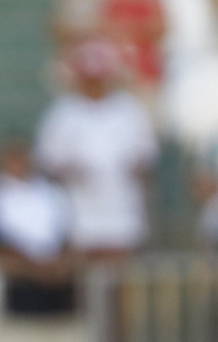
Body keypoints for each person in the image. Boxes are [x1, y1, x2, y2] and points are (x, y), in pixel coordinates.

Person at [34, 39, 157, 259]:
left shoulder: (129, 109)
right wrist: (73, 170)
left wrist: (130, 167)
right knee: (81, 272)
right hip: (77, 208)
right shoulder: (62, 113)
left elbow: (146, 155)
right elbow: (47, 161)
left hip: (121, 205)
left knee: (120, 272)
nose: (94, 85)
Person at [0, 140, 75, 316]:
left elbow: (65, 232)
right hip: (21, 276)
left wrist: (54, 262)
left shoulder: (51, 192)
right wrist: (34, 265)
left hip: (56, 273)